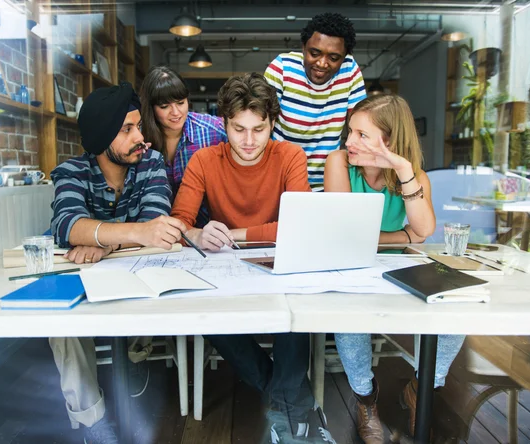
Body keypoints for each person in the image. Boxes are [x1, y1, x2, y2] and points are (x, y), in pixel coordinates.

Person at [171, 73, 335, 443]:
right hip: (225, 267)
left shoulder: (290, 155)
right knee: (207, 314)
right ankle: (295, 407)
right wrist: (196, 233)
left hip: (280, 262)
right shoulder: (204, 160)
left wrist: (236, 234)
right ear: (223, 122)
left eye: (259, 129)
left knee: (295, 309)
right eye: (238, 128)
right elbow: (178, 223)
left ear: (272, 123)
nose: (248, 141)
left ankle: (285, 412)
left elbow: (300, 224)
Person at [49, 82, 186, 444]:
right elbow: (66, 226)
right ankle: (92, 420)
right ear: (101, 137)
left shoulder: (151, 162)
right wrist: (129, 234)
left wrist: (100, 242)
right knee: (61, 322)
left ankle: (137, 365)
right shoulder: (70, 172)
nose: (140, 137)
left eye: (139, 126)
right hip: (84, 282)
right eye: (127, 130)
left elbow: (157, 226)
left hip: (136, 276)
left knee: (157, 279)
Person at [324, 94, 464, 442]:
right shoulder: (338, 163)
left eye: (362, 135)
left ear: (390, 141)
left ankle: (421, 388)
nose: (349, 141)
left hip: (398, 266)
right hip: (352, 266)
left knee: (456, 310)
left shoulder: (412, 175)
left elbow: (424, 230)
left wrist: (402, 170)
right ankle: (365, 401)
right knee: (349, 315)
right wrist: (400, 235)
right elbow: (347, 233)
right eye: (350, 131)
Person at [264, 12, 366, 191]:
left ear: (344, 57)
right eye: (314, 53)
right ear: (303, 47)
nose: (322, 63)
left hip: (328, 181)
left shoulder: (350, 70)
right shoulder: (281, 68)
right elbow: (262, 125)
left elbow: (361, 125)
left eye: (334, 58)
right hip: (280, 179)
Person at [139, 65, 228, 227]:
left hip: (208, 231)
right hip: (154, 232)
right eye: (164, 106)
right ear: (150, 108)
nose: (175, 112)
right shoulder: (138, 138)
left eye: (180, 103)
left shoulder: (214, 130)